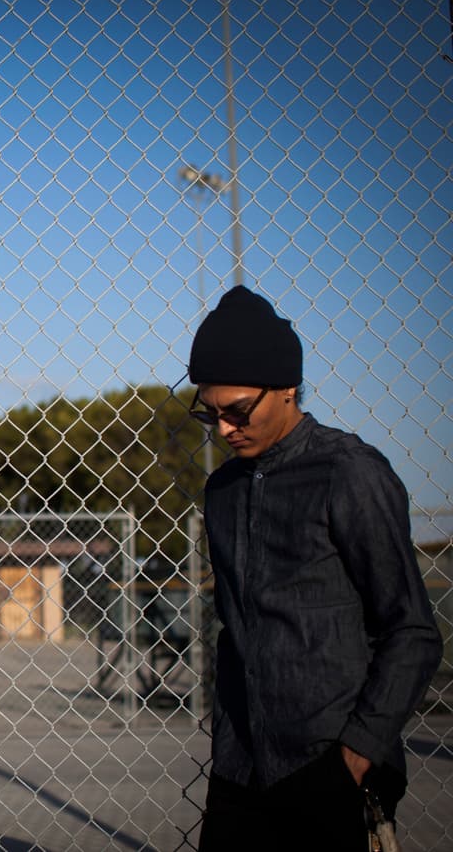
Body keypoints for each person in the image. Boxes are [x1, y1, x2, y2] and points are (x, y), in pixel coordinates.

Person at [187, 286, 441, 850]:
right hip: (240, 768)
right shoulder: (222, 490)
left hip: (328, 763)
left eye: (237, 411)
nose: (224, 428)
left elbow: (413, 632)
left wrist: (354, 757)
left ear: (287, 389)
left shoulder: (348, 474)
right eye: (210, 412)